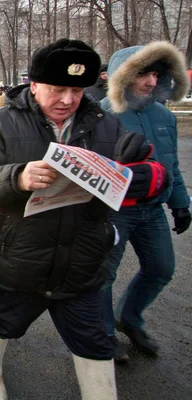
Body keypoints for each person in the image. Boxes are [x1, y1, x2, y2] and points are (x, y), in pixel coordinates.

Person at [0, 39, 158, 399]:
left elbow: (153, 173)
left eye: (76, 90)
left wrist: (142, 176)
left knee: (94, 341)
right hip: (21, 258)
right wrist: (18, 177)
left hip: (81, 261)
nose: (67, 99)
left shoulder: (106, 126)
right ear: (34, 85)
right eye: (57, 89)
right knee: (2, 321)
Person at [98, 41, 191, 361]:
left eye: (155, 73)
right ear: (123, 76)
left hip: (153, 211)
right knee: (103, 276)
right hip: (116, 211)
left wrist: (180, 203)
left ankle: (130, 318)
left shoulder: (164, 116)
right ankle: (104, 333)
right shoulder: (103, 116)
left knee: (161, 268)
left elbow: (172, 165)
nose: (150, 82)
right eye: (142, 73)